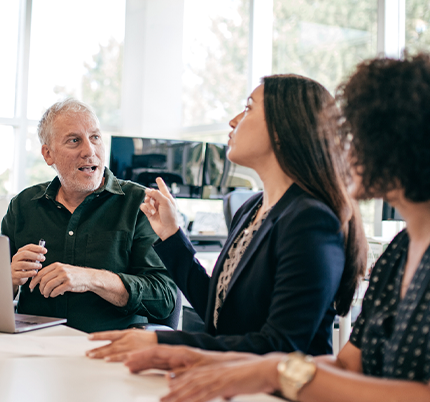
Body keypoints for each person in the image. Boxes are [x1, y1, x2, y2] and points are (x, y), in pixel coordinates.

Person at [123, 54, 430, 402]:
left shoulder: (316, 220)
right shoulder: (400, 251)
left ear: (414, 146)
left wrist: (270, 370)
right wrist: (207, 360)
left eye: (360, 133)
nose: (344, 145)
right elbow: (347, 366)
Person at [88, 75, 367, 359]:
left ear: (283, 128)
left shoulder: (311, 220)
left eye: (248, 108)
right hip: (231, 386)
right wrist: (172, 235)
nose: (234, 121)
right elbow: (220, 311)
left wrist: (166, 344)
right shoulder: (250, 208)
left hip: (278, 399)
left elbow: (281, 347)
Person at [1, 98, 177, 333]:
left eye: (95, 137)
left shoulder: (140, 204)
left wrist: (90, 279)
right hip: (33, 348)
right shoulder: (23, 206)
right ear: (48, 154)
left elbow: (164, 298)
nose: (90, 151)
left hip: (109, 348)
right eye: (74, 141)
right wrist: (8, 281)